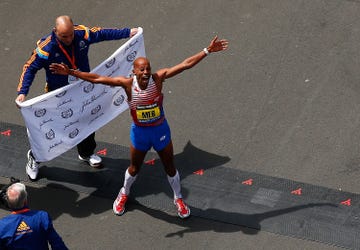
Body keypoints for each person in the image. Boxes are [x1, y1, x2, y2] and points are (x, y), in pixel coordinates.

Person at [50, 35, 229, 219]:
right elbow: (97, 79)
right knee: (134, 168)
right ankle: (124, 193)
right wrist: (71, 72)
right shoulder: (127, 84)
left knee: (170, 167)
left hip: (160, 130)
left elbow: (185, 64)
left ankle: (178, 199)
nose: (146, 72)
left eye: (148, 69)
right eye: (142, 69)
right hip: (140, 133)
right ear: (134, 72)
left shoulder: (158, 79)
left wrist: (207, 51)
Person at [15, 15, 138, 181]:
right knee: (48, 128)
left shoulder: (82, 34)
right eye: (64, 36)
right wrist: (22, 92)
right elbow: (29, 67)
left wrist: (128, 32)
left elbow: (102, 33)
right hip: (57, 95)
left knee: (88, 120)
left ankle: (86, 153)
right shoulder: (45, 49)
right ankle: (35, 157)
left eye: (71, 34)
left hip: (82, 89)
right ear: (55, 32)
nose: (69, 39)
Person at [0, 182, 68, 249]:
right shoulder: (42, 217)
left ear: (8, 203)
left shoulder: (2, 225)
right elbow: (57, 243)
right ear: (25, 200)